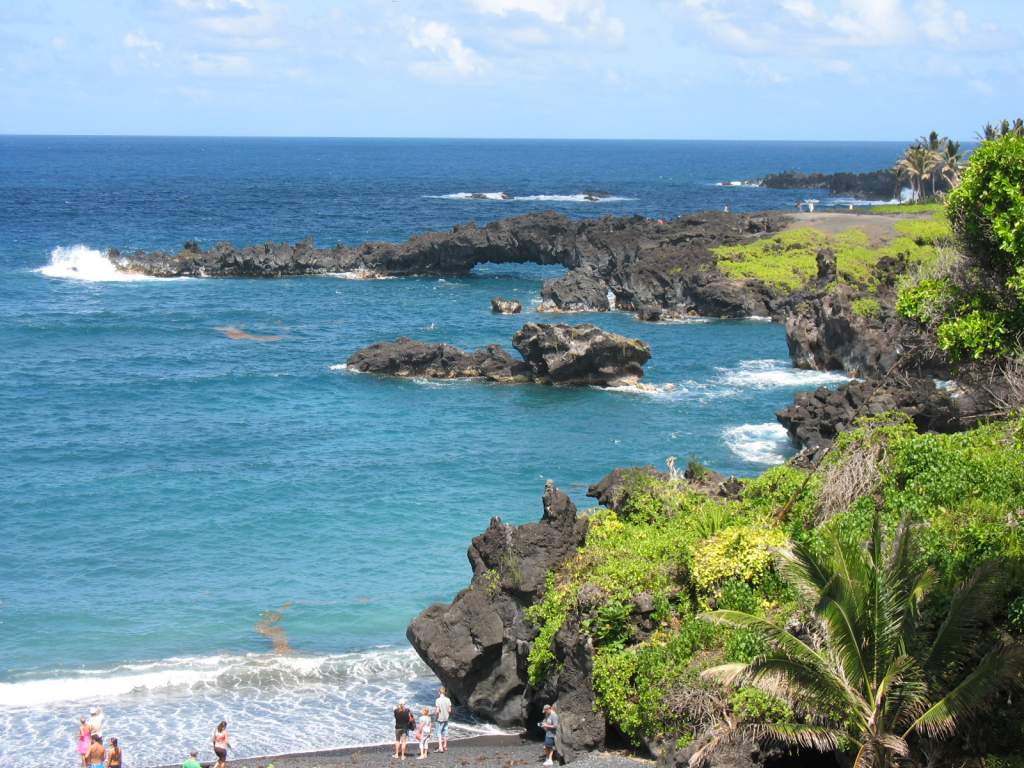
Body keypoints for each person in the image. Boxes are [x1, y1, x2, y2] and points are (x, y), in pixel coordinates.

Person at [434, 686, 452, 753]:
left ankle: (440, 747)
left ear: (439, 692)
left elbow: (437, 711)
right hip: (446, 718)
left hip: (440, 718)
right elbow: (450, 710)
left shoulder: (437, 700)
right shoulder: (448, 699)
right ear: (445, 692)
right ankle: (445, 746)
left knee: (439, 732)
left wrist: (434, 715)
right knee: (445, 731)